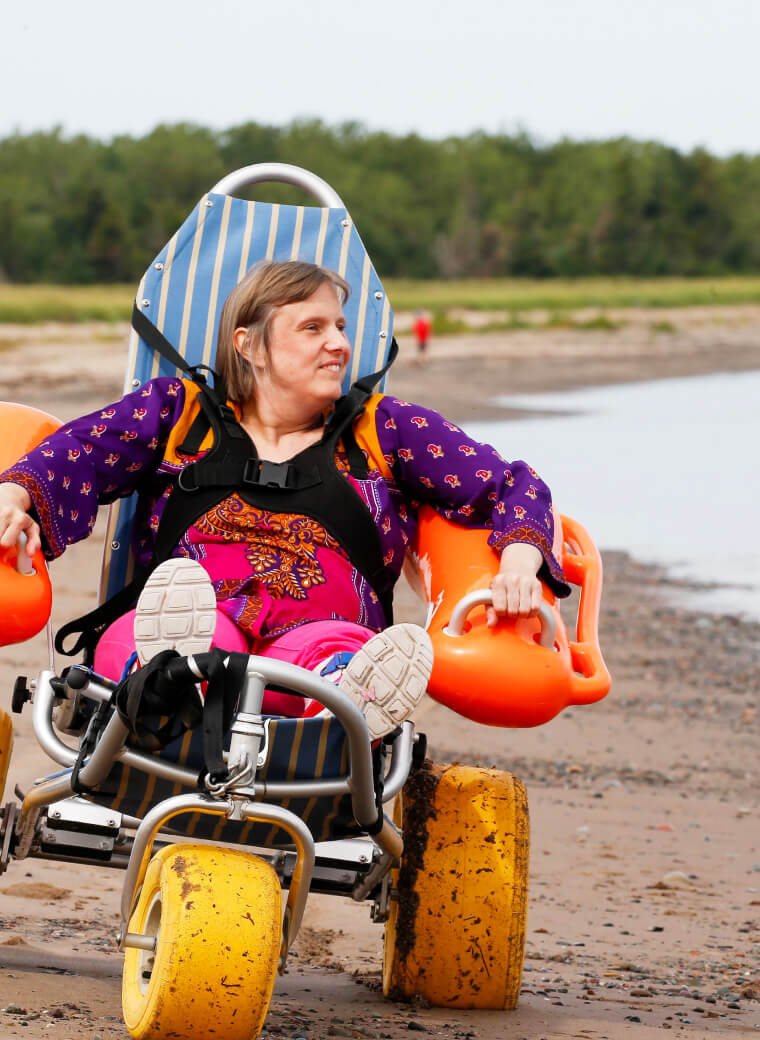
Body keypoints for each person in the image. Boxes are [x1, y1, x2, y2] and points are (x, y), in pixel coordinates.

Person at [0, 261, 569, 738]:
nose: (339, 345)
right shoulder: (177, 413)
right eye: (313, 328)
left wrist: (519, 560)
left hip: (319, 634)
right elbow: (78, 451)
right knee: (177, 637)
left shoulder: (385, 429)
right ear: (250, 345)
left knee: (328, 652)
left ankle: (343, 697)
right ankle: (168, 672)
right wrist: (16, 493)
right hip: (195, 611)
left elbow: (513, 484)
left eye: (342, 327)